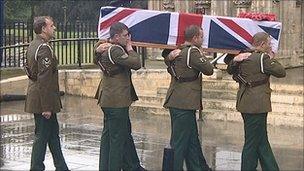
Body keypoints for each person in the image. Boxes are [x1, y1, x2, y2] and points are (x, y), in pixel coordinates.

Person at [226, 32, 286, 171]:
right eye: (269, 43)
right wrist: (272, 57)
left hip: (245, 102)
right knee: (252, 142)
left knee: (261, 140)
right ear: (262, 44)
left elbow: (230, 69)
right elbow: (281, 72)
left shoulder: (242, 58)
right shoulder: (262, 58)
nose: (270, 46)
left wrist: (235, 59)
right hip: (257, 104)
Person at [94, 22, 145, 171]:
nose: (128, 38)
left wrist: (96, 49)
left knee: (109, 137)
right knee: (117, 140)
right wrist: (130, 48)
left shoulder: (104, 48)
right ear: (116, 37)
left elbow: (95, 55)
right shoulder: (115, 50)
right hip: (116, 101)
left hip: (108, 99)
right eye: (125, 36)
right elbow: (136, 63)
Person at [162, 25, 214, 170]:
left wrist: (168, 57)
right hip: (183, 103)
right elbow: (209, 70)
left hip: (180, 101)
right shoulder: (192, 52)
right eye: (201, 37)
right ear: (195, 38)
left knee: (191, 142)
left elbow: (168, 59)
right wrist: (202, 53)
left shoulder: (179, 52)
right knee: (179, 143)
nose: (203, 40)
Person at [24, 16, 69, 171]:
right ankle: (36, 167)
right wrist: (46, 107)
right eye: (51, 25)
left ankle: (62, 167)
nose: (54, 28)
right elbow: (44, 79)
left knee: (53, 135)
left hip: (39, 97)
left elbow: (30, 71)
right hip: (43, 100)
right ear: (43, 28)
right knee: (42, 136)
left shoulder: (33, 45)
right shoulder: (43, 48)